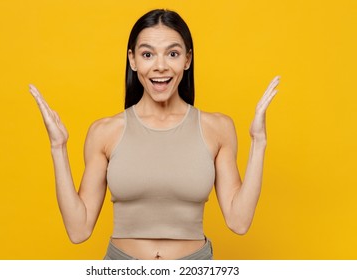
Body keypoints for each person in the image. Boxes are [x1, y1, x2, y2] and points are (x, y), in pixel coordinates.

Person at [29, 9, 280, 260]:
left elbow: (239, 221)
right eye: (147, 54)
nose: (160, 66)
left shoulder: (217, 128)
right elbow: (78, 229)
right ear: (133, 60)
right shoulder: (105, 132)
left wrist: (259, 142)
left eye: (172, 54)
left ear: (187, 59)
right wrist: (58, 147)